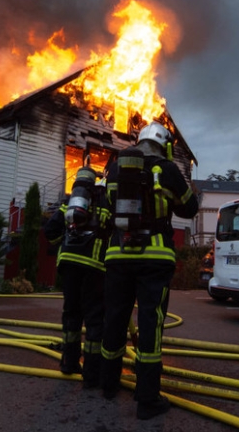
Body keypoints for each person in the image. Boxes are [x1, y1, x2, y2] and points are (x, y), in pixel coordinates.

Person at [100, 121, 199, 420]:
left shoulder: (116, 168)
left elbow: (106, 204)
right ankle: (147, 399)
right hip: (154, 258)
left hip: (117, 255)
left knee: (114, 316)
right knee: (150, 323)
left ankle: (108, 383)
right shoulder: (167, 170)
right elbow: (189, 208)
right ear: (164, 145)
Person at [44, 165, 111, 388]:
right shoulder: (104, 201)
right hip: (93, 267)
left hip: (69, 266)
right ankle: (91, 374)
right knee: (94, 319)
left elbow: (50, 230)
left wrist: (62, 244)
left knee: (71, 314)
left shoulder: (68, 202)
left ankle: (69, 363)